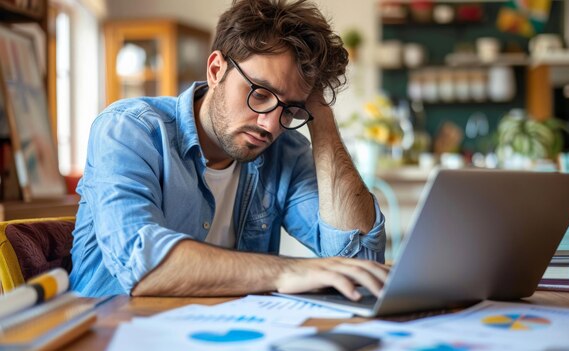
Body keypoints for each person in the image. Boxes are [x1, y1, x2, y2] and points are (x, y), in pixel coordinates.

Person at [69, 0, 388, 300]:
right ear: (216, 69)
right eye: (261, 94)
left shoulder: (284, 151)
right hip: (113, 333)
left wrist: (322, 116)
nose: (271, 126)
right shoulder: (130, 130)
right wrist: (287, 271)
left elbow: (360, 255)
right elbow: (142, 264)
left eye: (290, 110)